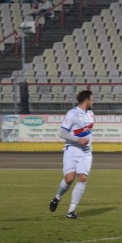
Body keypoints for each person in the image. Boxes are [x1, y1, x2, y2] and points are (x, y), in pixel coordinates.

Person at [49, 90, 95, 219]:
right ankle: (57, 197)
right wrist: (78, 139)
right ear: (86, 100)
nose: (93, 101)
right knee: (69, 179)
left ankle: (71, 211)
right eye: (92, 99)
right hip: (72, 150)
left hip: (86, 152)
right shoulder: (72, 114)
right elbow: (62, 133)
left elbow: (86, 131)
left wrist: (84, 139)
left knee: (82, 178)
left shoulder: (91, 114)